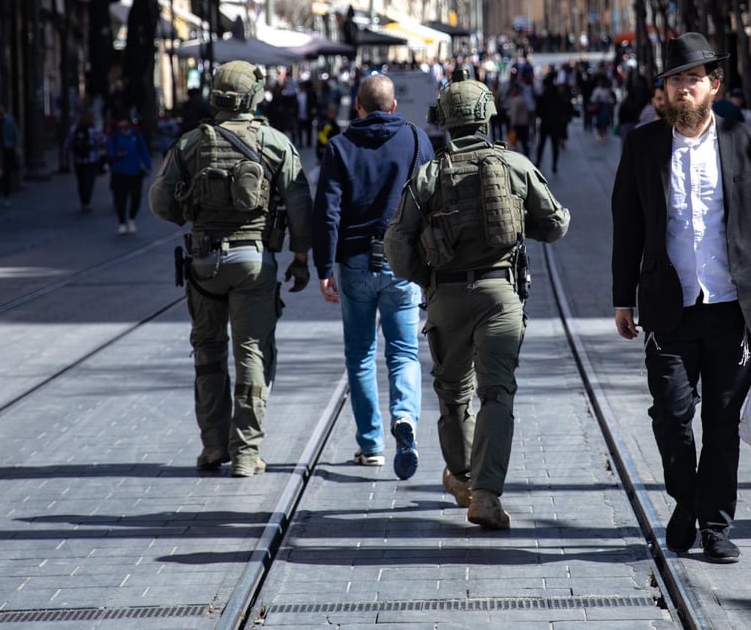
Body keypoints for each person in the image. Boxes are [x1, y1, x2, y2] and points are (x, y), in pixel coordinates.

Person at [612, 32, 751, 563]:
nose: (684, 88)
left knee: (720, 422)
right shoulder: (643, 144)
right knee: (670, 414)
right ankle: (685, 500)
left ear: (713, 85)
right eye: (675, 80)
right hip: (667, 306)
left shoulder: (746, 139)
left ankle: (715, 525)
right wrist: (624, 297)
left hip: (732, 308)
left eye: (693, 79)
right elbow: (628, 225)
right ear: (663, 91)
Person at [384, 74, 570, 530]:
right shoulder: (515, 165)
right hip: (500, 295)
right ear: (488, 115)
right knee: (497, 393)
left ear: (443, 121)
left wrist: (426, 280)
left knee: (452, 396)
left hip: (445, 296)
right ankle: (486, 496)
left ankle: (463, 478)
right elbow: (556, 225)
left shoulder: (429, 175)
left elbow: (396, 243)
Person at [148, 60, 313, 477]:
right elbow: (300, 209)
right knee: (252, 353)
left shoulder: (189, 144)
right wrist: (300, 258)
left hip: (203, 263)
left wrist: (191, 214)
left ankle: (211, 447)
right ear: (254, 97)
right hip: (254, 261)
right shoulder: (275, 143)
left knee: (207, 352)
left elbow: (160, 202)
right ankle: (245, 452)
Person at [312, 74, 433, 478]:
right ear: (394, 106)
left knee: (361, 355)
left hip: (355, 263)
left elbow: (327, 212)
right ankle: (407, 417)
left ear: (358, 108)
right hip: (402, 264)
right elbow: (432, 205)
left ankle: (371, 445)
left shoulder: (339, 147)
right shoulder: (417, 141)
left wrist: (323, 267)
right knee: (405, 351)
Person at [106, 117, 151, 234]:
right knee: (120, 199)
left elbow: (144, 151)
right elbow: (109, 152)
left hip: (135, 172)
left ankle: (131, 218)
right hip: (119, 172)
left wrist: (147, 166)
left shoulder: (136, 136)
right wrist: (117, 154)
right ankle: (121, 222)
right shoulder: (115, 137)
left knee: (136, 198)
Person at [64, 107, 107, 213]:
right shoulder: (95, 130)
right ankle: (86, 202)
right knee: (89, 181)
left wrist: (66, 156)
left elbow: (67, 144)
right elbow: (102, 142)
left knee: (81, 181)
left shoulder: (74, 128)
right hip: (92, 160)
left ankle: (83, 201)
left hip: (78, 160)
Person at [534, 72, 573, 173]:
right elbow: (563, 109)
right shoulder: (557, 96)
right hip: (555, 124)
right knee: (554, 146)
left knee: (541, 144)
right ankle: (554, 165)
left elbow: (538, 112)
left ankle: (538, 162)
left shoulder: (543, 97)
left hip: (545, 124)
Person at [0, 103, 19, 206]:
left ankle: (6, 196)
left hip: (7, 148)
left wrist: (16, 146)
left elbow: (15, 134)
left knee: (6, 173)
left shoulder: (9, 120)